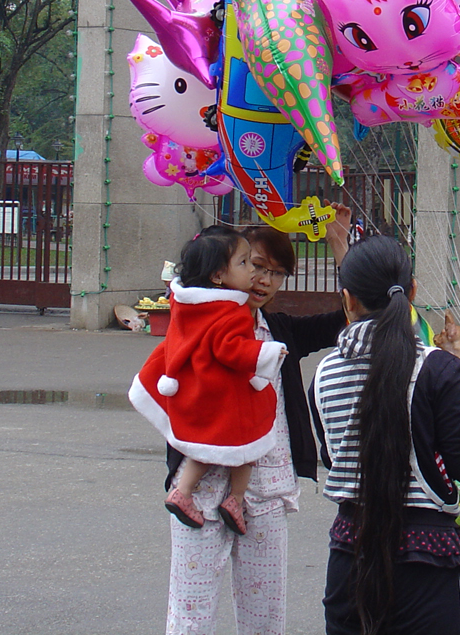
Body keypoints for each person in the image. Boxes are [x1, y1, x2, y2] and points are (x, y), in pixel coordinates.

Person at [163, 207, 352, 635]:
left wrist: (340, 247)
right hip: (201, 491)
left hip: (266, 490)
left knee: (265, 616)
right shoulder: (191, 328)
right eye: (256, 266)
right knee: (190, 614)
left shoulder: (281, 331)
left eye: (277, 273)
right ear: (225, 270)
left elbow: (349, 316)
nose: (263, 280)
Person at [310, 235, 460, 635]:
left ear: (348, 300)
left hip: (349, 554)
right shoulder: (437, 369)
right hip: (425, 562)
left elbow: (334, 459)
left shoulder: (323, 374)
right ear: (411, 292)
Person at [131, 229, 284, 535]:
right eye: (244, 263)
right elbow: (229, 348)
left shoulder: (188, 304)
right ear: (217, 276)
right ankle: (235, 500)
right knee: (248, 442)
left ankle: (183, 492)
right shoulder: (231, 310)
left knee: (202, 448)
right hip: (222, 394)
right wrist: (265, 354)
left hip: (195, 388)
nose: (253, 271)